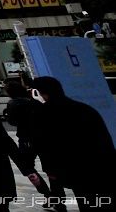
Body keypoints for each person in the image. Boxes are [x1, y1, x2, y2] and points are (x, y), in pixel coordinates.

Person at [31, 76, 116, 212]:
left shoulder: (43, 113)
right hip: (101, 166)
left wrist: (51, 170)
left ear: (41, 93)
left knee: (87, 202)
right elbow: (104, 139)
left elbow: (45, 145)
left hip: (75, 170)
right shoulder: (85, 109)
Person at [5, 81, 64, 212]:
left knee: (28, 168)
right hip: (43, 138)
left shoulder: (13, 103)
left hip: (26, 139)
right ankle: (58, 198)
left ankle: (46, 193)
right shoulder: (34, 102)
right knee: (51, 169)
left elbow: (12, 121)